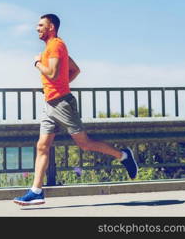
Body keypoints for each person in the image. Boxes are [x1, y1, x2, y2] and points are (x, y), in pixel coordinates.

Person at [13, 14, 138, 206]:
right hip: (50, 104)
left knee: (85, 144)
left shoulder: (56, 45)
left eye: (40, 25)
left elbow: (53, 74)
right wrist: (57, 86)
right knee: (42, 146)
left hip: (62, 104)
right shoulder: (51, 47)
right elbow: (75, 70)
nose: (37, 28)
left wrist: (37, 63)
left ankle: (123, 155)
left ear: (51, 27)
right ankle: (36, 191)